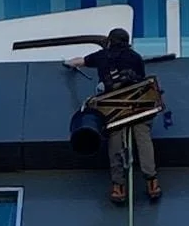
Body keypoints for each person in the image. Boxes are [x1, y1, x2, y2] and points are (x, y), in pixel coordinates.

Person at [66, 28, 162, 206]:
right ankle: (152, 182)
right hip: (138, 104)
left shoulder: (103, 56)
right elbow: (141, 78)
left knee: (115, 143)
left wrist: (68, 63)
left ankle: (119, 186)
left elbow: (80, 61)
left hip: (113, 108)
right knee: (143, 139)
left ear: (111, 41)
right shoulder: (135, 57)